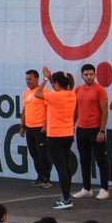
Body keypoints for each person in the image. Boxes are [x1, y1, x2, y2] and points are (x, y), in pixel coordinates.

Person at [34, 68, 77, 209]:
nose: (52, 85)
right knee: (65, 166)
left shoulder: (55, 96)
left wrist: (46, 79)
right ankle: (66, 196)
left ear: (57, 83)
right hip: (68, 134)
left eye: (53, 83)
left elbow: (37, 93)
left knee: (61, 168)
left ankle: (66, 199)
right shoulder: (72, 94)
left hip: (56, 135)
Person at [72, 63, 111, 201]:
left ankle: (104, 189)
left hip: (95, 129)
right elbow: (75, 110)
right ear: (82, 76)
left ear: (95, 75)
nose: (89, 77)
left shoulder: (100, 90)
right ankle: (86, 188)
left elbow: (105, 112)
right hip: (81, 129)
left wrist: (101, 131)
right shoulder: (78, 89)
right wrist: (72, 126)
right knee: (84, 159)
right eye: (86, 75)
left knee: (101, 160)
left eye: (91, 74)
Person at [21, 69, 53, 189]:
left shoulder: (44, 91)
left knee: (42, 154)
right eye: (26, 79)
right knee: (34, 154)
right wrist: (22, 126)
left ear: (37, 79)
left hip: (40, 128)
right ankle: (40, 177)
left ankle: (46, 179)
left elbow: (49, 109)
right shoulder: (26, 93)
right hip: (29, 127)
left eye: (30, 79)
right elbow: (24, 110)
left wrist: (46, 124)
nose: (28, 81)